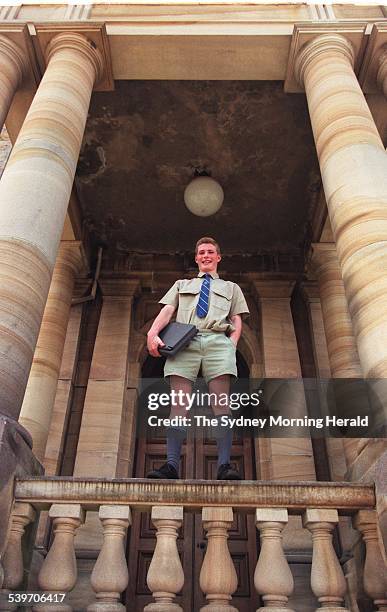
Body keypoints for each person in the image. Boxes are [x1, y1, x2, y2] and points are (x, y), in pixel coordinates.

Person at [146, 236, 250, 480]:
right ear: (196, 258)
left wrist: (231, 345)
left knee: (221, 404)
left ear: (218, 257)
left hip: (217, 342)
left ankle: (224, 465)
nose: (206, 255)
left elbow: (236, 318)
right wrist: (152, 333)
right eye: (201, 252)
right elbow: (168, 310)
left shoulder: (231, 288)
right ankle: (171, 465)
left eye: (210, 252)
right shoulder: (182, 284)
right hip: (185, 343)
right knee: (179, 404)